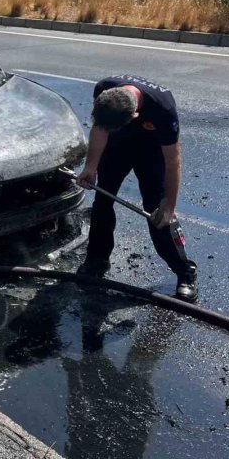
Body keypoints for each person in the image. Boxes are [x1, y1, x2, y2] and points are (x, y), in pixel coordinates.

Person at [75, 75, 198, 301]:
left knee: (157, 211)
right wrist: (90, 167)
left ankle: (185, 271)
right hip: (116, 146)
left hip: (150, 151)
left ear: (135, 116)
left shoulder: (163, 108)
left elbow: (173, 161)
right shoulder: (104, 90)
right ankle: (96, 260)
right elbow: (100, 129)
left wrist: (170, 206)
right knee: (103, 201)